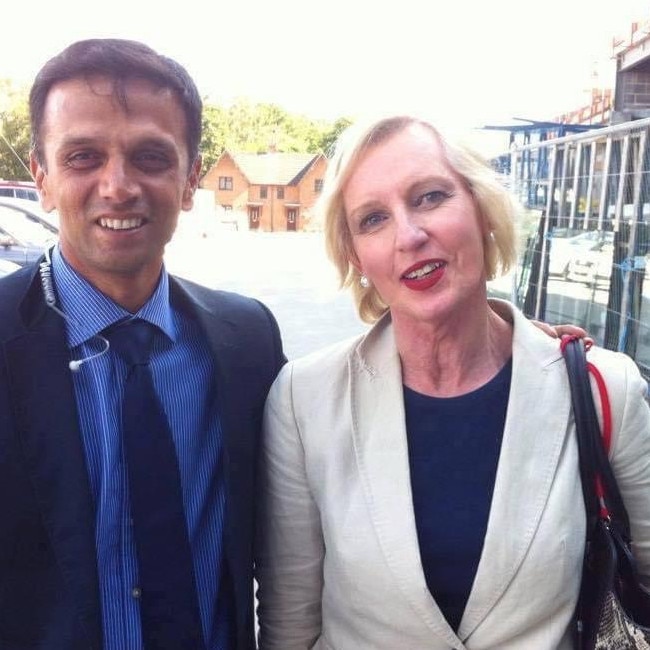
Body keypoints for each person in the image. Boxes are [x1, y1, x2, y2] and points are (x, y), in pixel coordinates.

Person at [255, 114, 650, 649]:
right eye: (373, 219)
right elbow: (290, 623)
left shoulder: (607, 391)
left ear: (482, 207)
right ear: (355, 256)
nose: (410, 236)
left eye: (430, 197)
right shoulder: (305, 400)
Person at [0, 39, 285, 650]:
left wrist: (501, 336)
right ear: (42, 177)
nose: (119, 186)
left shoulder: (247, 342)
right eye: (82, 157)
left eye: (150, 157)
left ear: (189, 180)